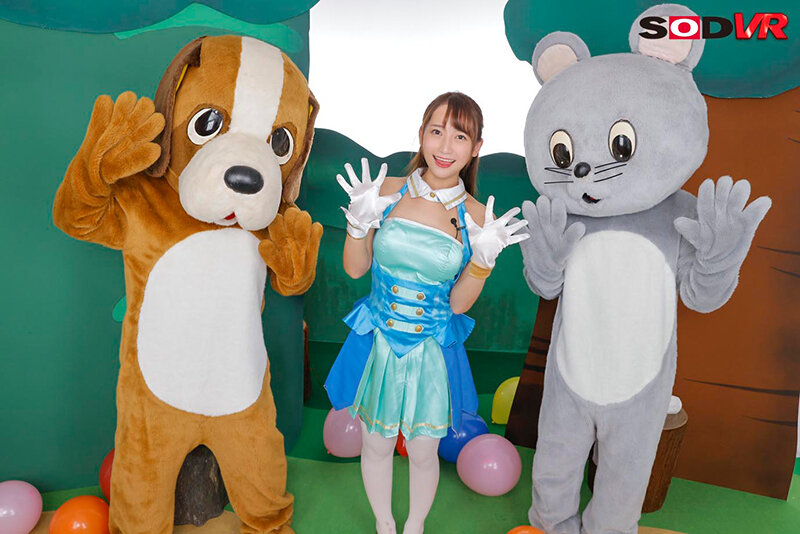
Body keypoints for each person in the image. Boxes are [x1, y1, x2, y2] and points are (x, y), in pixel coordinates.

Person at [325, 92, 528, 534]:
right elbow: (355, 268)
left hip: (430, 353)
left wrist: (483, 262)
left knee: (422, 451)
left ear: (476, 147)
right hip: (379, 344)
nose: (445, 146)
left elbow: (458, 304)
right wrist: (357, 225)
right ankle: (383, 523)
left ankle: (414, 525)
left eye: (460, 136)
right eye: (437, 131)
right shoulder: (384, 193)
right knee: (376, 444)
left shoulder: (479, 218)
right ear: (421, 134)